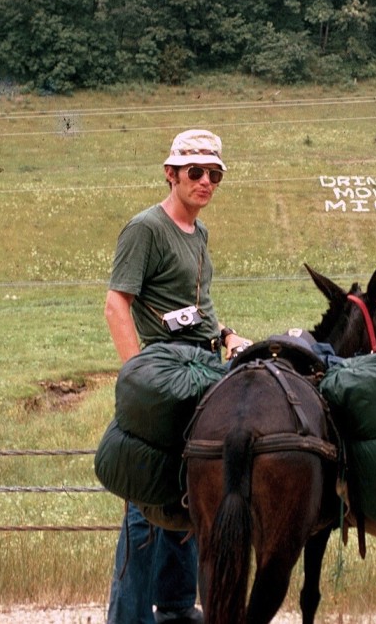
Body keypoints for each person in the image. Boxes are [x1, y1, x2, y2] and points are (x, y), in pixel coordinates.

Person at [104, 129, 249, 624]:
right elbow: (116, 304)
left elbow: (199, 309)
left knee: (192, 493)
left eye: (215, 174)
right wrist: (138, 376)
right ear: (171, 174)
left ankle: (175, 608)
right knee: (148, 496)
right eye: (196, 172)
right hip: (164, 370)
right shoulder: (144, 228)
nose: (206, 181)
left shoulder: (200, 233)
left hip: (204, 366)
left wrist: (228, 336)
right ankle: (129, 617)